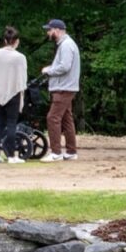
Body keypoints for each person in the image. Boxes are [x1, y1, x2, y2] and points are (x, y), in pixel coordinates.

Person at [0, 26, 29, 163]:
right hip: (13, 93)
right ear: (17, 41)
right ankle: (11, 156)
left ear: (5, 40)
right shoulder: (20, 57)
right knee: (11, 124)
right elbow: (22, 79)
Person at [41, 18, 81, 160]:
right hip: (67, 86)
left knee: (52, 118)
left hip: (63, 87)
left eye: (50, 30)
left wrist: (49, 70)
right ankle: (71, 151)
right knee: (66, 118)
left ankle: (56, 152)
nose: (48, 33)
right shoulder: (67, 44)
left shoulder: (66, 45)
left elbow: (65, 66)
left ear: (57, 30)